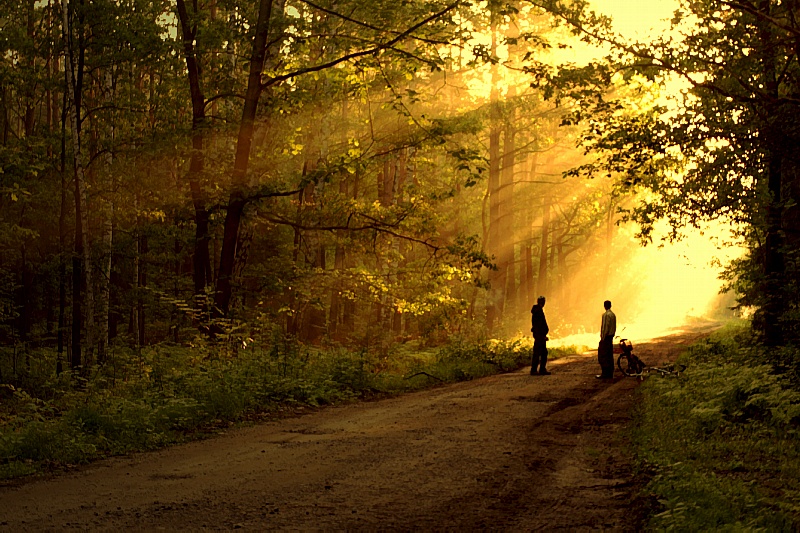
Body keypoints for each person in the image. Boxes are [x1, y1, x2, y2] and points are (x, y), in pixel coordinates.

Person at [530, 296, 550, 375]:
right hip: (540, 336)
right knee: (542, 353)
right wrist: (542, 336)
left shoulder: (537, 310)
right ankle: (539, 369)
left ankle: (537, 369)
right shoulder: (538, 311)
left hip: (539, 335)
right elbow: (539, 325)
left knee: (539, 352)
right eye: (543, 301)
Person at [597, 300, 616, 379]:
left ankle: (605, 373)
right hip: (611, 336)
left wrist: (602, 338)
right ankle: (610, 373)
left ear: (604, 306)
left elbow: (605, 327)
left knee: (603, 356)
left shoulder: (606, 315)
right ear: (610, 305)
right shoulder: (613, 315)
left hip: (606, 337)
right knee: (609, 355)